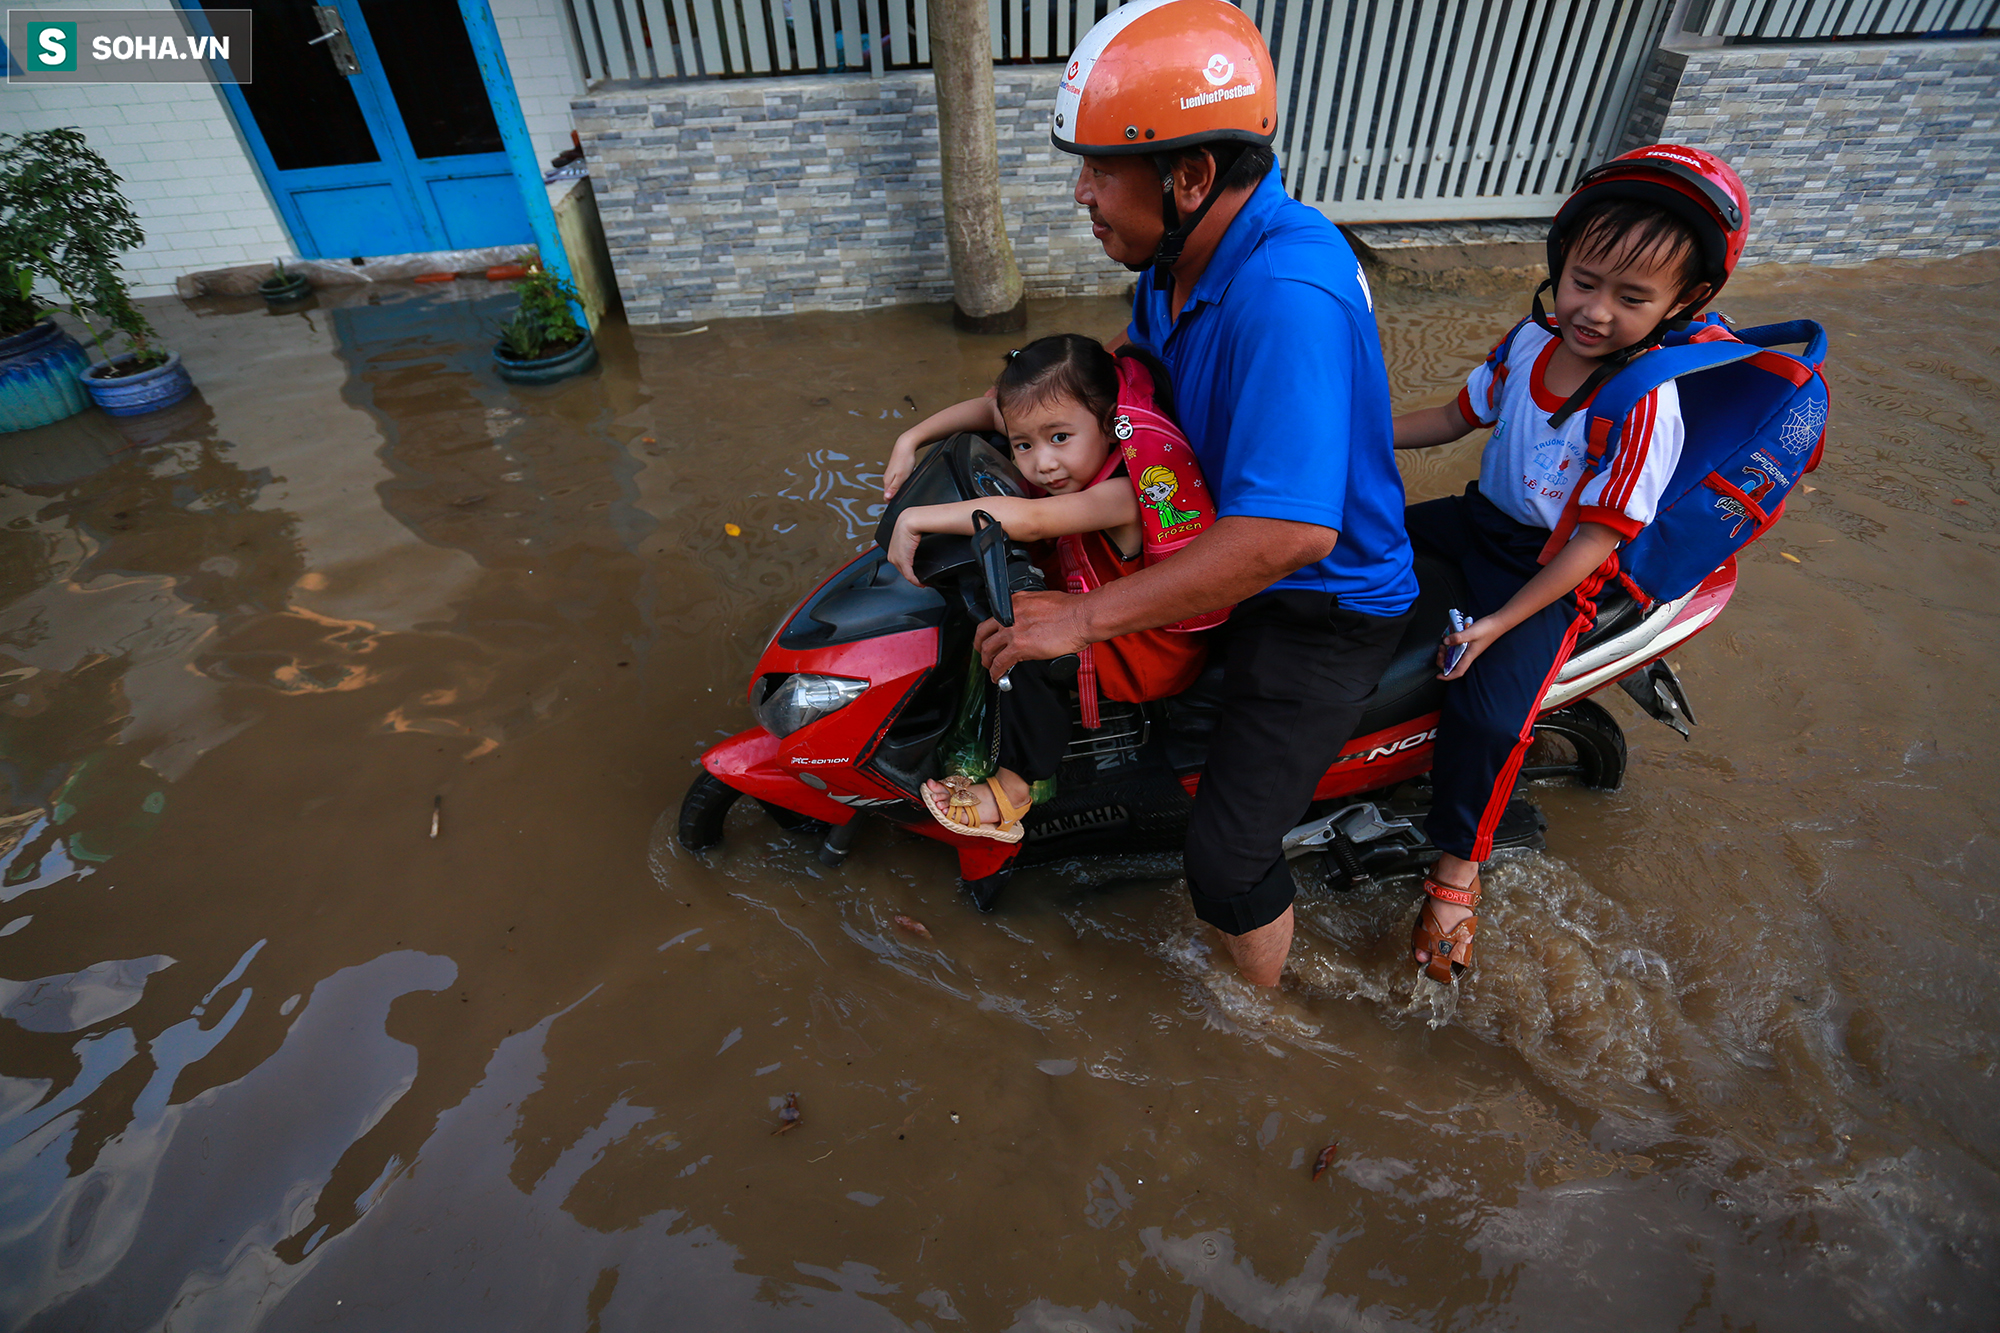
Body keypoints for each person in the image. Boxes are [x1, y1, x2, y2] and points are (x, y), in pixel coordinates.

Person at [976, 0, 1418, 985]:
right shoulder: (1178, 266)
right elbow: (1122, 380)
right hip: (1210, 547)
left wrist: (1083, 618)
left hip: (1313, 604)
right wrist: (962, 425)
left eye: (1099, 170)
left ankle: (1262, 1027)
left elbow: (1288, 533)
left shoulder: (1282, 296)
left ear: (1188, 176)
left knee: (1219, 862)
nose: (1082, 194)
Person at [1393, 144, 1752, 984]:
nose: (1594, 311)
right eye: (1585, 281)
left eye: (1632, 298)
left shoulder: (1642, 404)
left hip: (1549, 570)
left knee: (1486, 716)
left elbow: (1596, 541)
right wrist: (1346, 435)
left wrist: (1495, 625)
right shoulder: (1526, 341)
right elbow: (1452, 418)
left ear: (1685, 302)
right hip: (1479, 522)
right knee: (1343, 550)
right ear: (1561, 266)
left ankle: (1454, 879)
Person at [883, 334, 1223, 843]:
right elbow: (986, 412)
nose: (1042, 464)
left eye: (1059, 439)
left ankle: (1014, 788)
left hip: (1145, 646)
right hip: (1100, 604)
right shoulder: (1067, 429)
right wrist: (909, 440)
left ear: (1110, 424)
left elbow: (1038, 519)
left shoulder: (1127, 492)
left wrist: (914, 519)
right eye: (1024, 445)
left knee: (1019, 638)